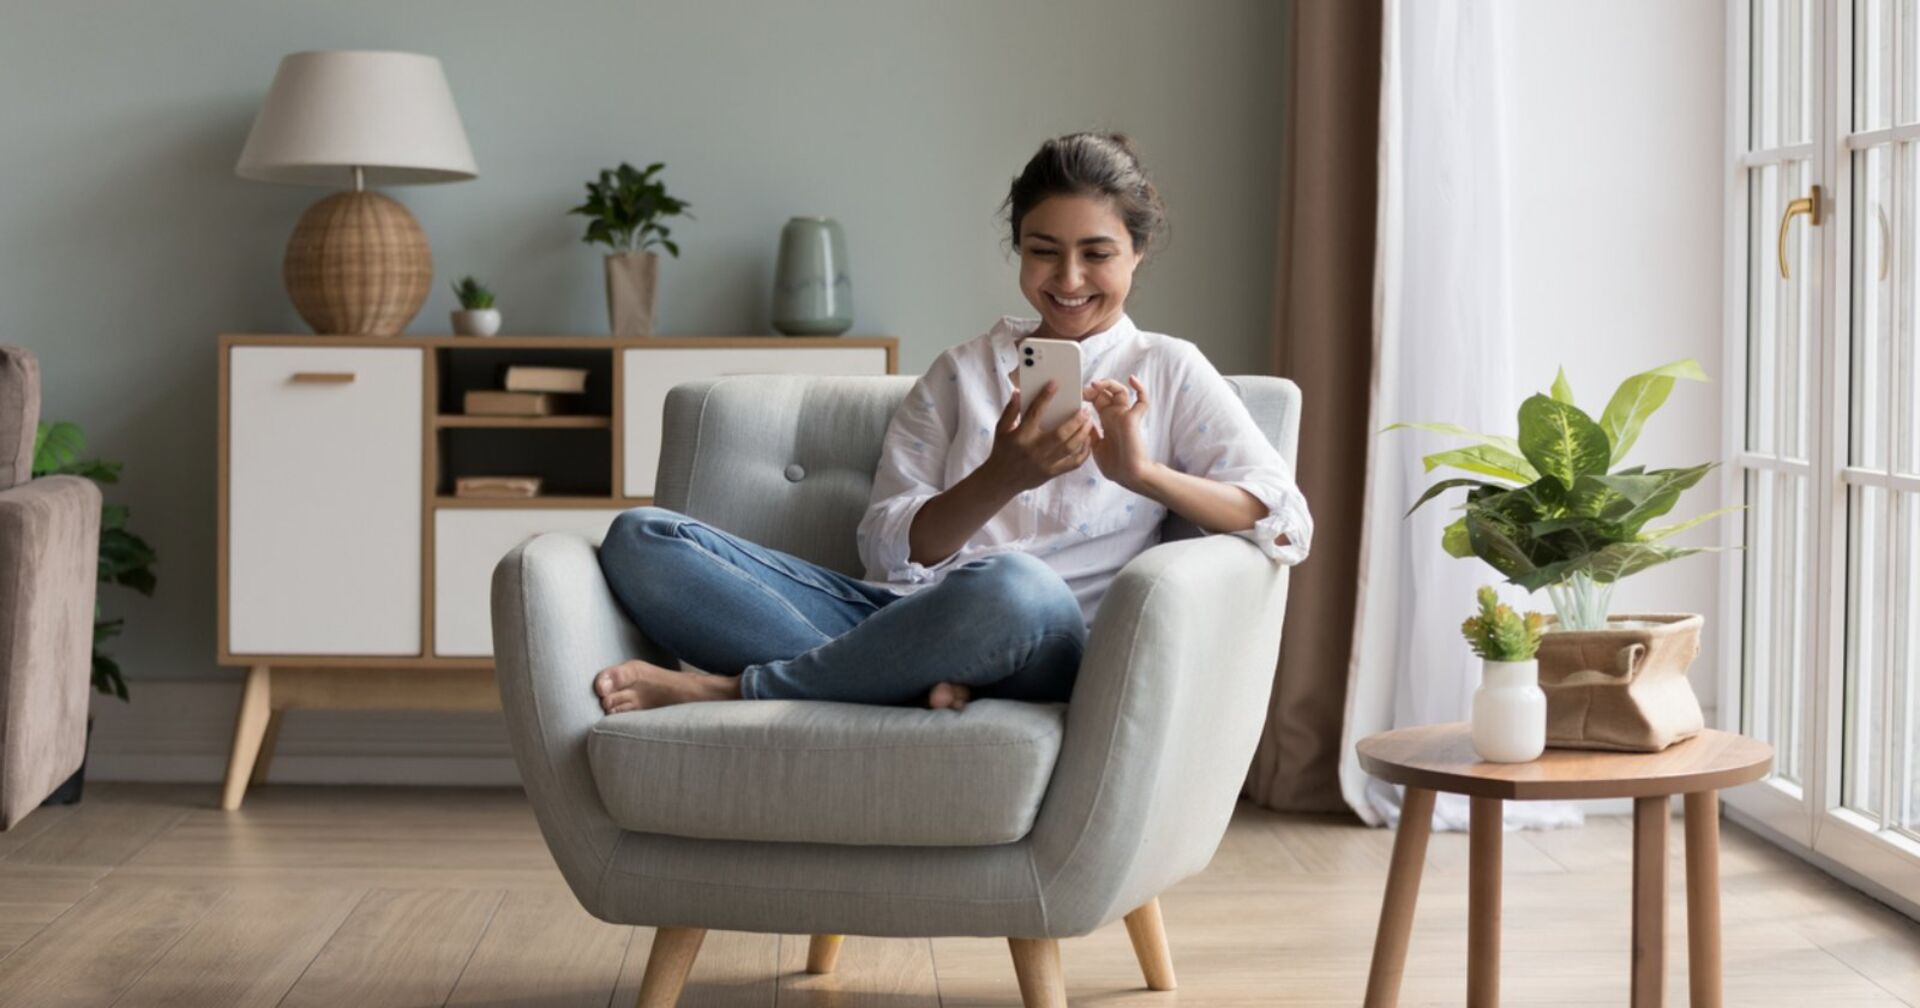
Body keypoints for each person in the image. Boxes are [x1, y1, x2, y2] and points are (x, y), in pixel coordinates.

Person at [592, 131, 1311, 715]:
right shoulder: (961, 371)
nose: (1068, 280)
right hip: (896, 617)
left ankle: (737, 690)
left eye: (1096, 254)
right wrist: (1003, 478)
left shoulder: (1170, 367)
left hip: (1038, 635)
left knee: (1010, 584)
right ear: (1018, 248)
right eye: (1043, 252)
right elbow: (885, 552)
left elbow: (1282, 521)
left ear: (1137, 252)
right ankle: (899, 683)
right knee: (642, 537)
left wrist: (1142, 474)